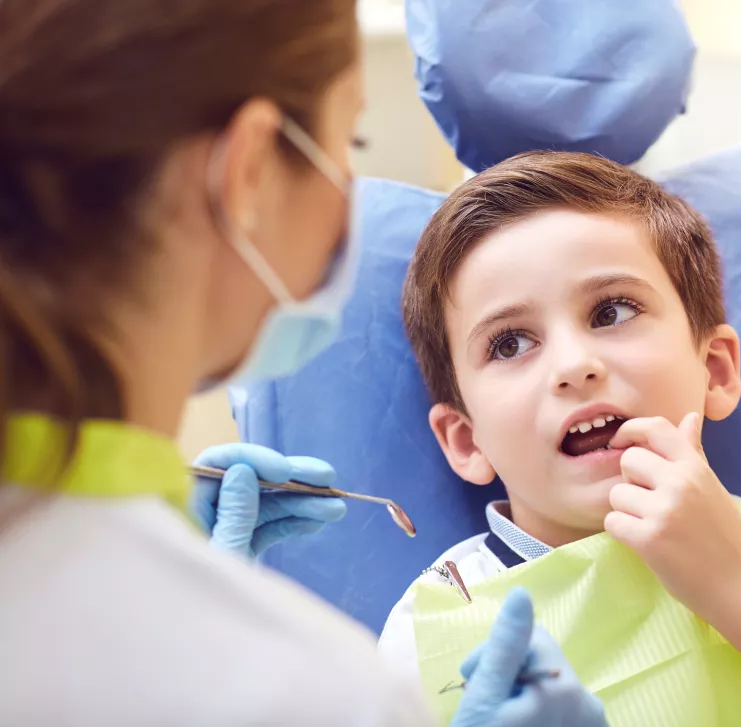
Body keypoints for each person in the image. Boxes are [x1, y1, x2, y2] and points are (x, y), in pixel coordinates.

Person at [0, 2, 605, 725]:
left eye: (611, 312)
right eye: (350, 137)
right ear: (250, 170)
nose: (575, 364)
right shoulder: (317, 694)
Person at [373, 151, 741, 726]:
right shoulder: (436, 620)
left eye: (611, 311)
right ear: (466, 441)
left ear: (714, 370)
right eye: (510, 343)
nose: (573, 364)